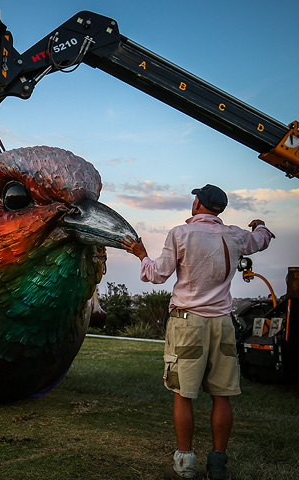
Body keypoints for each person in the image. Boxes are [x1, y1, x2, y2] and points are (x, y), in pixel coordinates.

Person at [121, 185, 274, 480]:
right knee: (222, 395)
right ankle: (218, 465)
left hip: (188, 322)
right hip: (223, 323)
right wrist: (262, 226)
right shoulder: (236, 235)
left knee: (183, 394)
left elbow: (157, 274)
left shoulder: (180, 234)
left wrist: (140, 254)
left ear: (199, 203)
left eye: (195, 198)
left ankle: (184, 465)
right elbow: (261, 240)